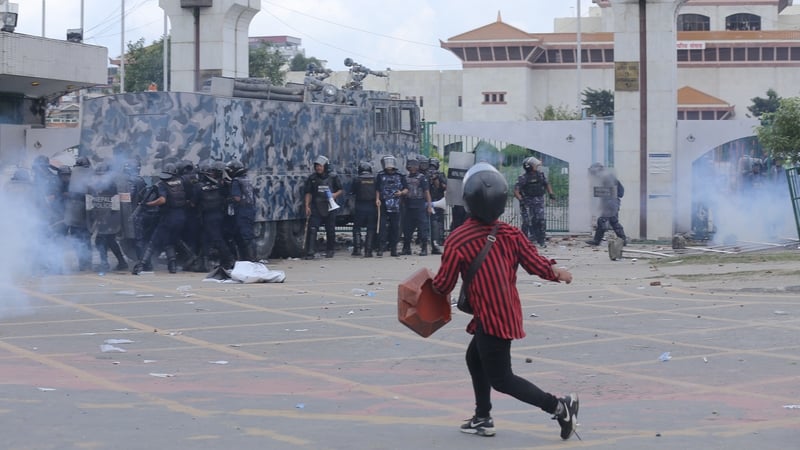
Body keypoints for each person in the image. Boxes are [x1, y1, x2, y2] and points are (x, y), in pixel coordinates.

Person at [431, 162, 579, 440]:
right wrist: (557, 272)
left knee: (502, 379)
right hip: (505, 312)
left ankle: (559, 406)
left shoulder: (458, 239)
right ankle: (482, 417)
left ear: (468, 200)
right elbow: (537, 264)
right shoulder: (510, 234)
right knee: (474, 359)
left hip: (491, 319)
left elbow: (443, 285)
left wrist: (424, 286)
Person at [132, 163, 189, 274]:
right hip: (181, 216)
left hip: (168, 217)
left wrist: (148, 204)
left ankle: (141, 265)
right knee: (169, 241)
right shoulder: (181, 181)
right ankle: (172, 266)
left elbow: (162, 200)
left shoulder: (162, 185)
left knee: (153, 241)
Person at [88, 161, 128, 272]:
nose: (98, 176)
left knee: (100, 241)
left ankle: (105, 264)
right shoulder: (103, 184)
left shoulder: (109, 185)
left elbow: (113, 203)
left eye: (101, 174)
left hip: (108, 217)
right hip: (106, 217)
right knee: (110, 241)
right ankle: (121, 262)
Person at [303, 155, 343, 259]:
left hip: (329, 206)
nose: (318, 168)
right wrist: (307, 206)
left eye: (320, 166)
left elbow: (340, 189)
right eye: (316, 166)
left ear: (325, 166)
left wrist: (334, 195)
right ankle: (310, 251)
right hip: (316, 206)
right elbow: (308, 193)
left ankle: (330, 250)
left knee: (330, 229)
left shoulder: (333, 177)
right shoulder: (312, 178)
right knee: (312, 229)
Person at [197, 161, 234, 270]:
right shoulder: (220, 184)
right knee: (206, 239)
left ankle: (229, 259)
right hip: (217, 215)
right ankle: (206, 262)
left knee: (217, 239)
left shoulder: (203, 186)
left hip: (211, 216)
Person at [514, 156, 555, 248]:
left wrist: (551, 194)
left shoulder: (540, 175)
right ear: (529, 166)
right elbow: (516, 191)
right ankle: (524, 242)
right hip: (527, 203)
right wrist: (521, 200)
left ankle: (541, 240)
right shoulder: (523, 178)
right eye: (534, 165)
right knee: (527, 222)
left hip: (539, 202)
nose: (536, 166)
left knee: (540, 220)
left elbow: (547, 184)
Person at [585, 162, 627, 246]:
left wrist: (604, 203)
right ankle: (623, 239)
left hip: (611, 203)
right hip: (612, 202)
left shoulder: (606, 177)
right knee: (613, 221)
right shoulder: (608, 176)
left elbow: (608, 192)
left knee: (602, 220)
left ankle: (597, 240)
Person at [375, 155, 407, 257]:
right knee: (382, 227)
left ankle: (394, 249)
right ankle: (380, 249)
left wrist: (401, 193)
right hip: (384, 204)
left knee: (395, 228)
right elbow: (377, 189)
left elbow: (406, 189)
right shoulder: (380, 175)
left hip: (396, 205)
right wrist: (377, 199)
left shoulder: (400, 175)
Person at [226, 159, 257, 262]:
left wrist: (228, 199)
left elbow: (237, 198)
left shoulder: (236, 181)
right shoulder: (247, 179)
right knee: (249, 235)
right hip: (250, 209)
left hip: (242, 211)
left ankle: (250, 259)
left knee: (245, 236)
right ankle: (251, 258)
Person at [401, 157, 433, 255]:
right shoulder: (405, 178)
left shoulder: (422, 177)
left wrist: (429, 206)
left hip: (419, 205)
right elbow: (404, 191)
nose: (412, 168)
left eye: (414, 166)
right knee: (407, 228)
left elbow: (426, 192)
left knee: (423, 228)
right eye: (410, 166)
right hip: (408, 205)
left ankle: (424, 248)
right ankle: (406, 248)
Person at [350, 161, 377, 257]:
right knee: (370, 228)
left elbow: (352, 192)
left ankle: (357, 249)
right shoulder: (375, 179)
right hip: (372, 206)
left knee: (357, 228)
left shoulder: (357, 179)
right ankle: (368, 251)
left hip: (360, 206)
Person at [428, 157, 446, 255]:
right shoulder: (424, 174)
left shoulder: (440, 175)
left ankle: (438, 242)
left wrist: (437, 178)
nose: (432, 169)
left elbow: (444, 186)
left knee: (438, 223)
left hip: (438, 200)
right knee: (431, 224)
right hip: (428, 201)